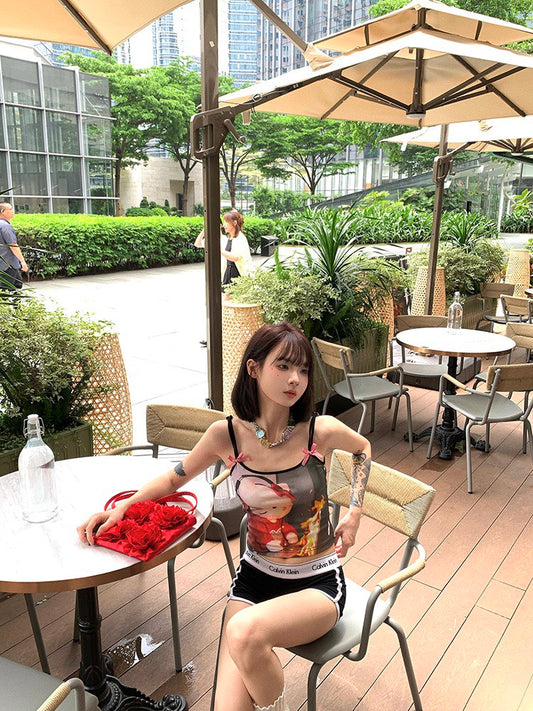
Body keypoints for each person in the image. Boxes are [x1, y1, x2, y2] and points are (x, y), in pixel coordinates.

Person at [78, 322, 371, 711]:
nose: (295, 379)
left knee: (243, 632)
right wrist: (122, 508)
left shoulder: (319, 431)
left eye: (303, 370)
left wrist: (354, 512)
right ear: (254, 368)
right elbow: (173, 479)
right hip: (255, 578)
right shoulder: (226, 436)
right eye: (283, 366)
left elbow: (362, 449)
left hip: (317, 583)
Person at [194, 209, 253, 302]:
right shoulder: (231, 238)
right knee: (227, 304)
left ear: (234, 223)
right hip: (229, 273)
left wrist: (217, 250)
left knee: (229, 304)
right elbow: (197, 244)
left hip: (238, 274)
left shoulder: (239, 238)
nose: (225, 225)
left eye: (226, 222)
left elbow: (236, 257)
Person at [0, 202, 28, 290]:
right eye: (10, 209)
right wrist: (22, 261)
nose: (13, 211)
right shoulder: (5, 226)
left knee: (17, 285)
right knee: (9, 289)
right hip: (8, 264)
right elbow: (13, 245)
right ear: (2, 211)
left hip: (4, 264)